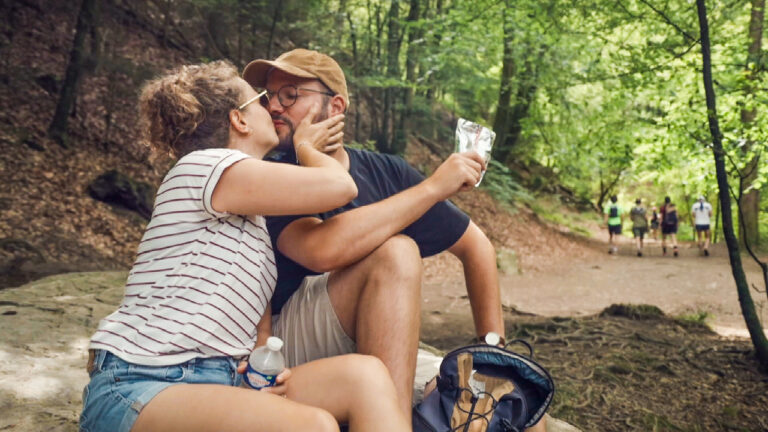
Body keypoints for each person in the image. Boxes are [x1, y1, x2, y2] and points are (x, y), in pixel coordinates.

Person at [79, 61, 412, 432]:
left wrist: (264, 367)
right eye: (262, 101)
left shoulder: (251, 221)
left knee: (365, 377)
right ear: (239, 120)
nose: (273, 108)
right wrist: (304, 146)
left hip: (224, 382)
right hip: (142, 383)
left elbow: (258, 328)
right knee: (313, 426)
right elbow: (341, 186)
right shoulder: (204, 167)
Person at [240, 48, 546, 429]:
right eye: (268, 96)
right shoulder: (271, 172)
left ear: (335, 107)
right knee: (397, 253)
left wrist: (492, 353)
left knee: (510, 401)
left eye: (289, 95)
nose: (273, 107)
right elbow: (321, 251)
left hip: (374, 345)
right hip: (285, 347)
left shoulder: (386, 172)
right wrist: (432, 188)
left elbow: (477, 247)